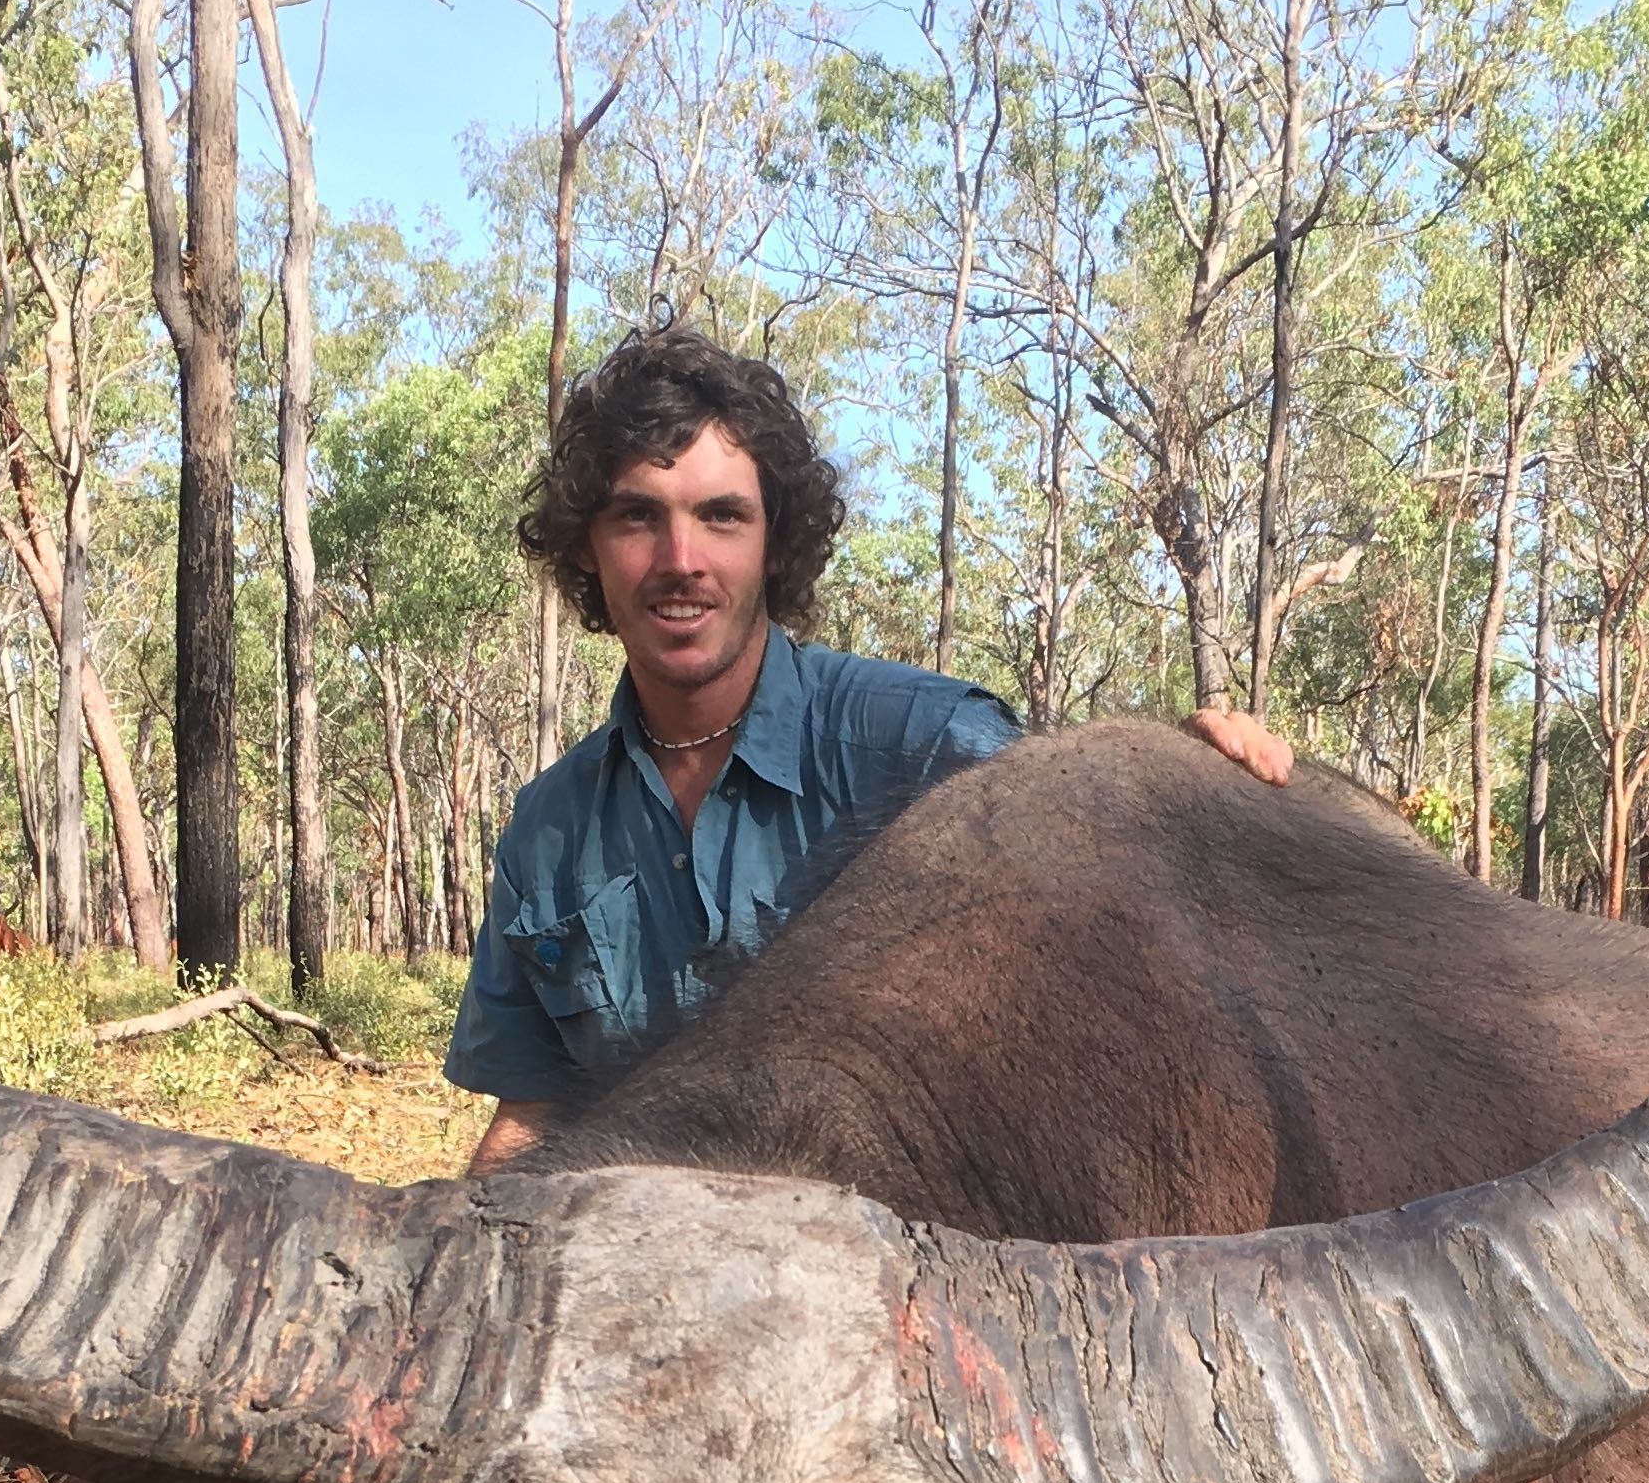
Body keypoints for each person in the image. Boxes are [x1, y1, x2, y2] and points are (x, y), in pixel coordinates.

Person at [448, 328, 1292, 1170]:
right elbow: (534, 1112)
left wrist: (1179, 786)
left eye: (722, 517)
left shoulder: (928, 750)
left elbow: (1108, 918)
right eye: (638, 515)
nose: (681, 561)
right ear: (587, 551)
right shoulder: (550, 828)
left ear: (774, 542)